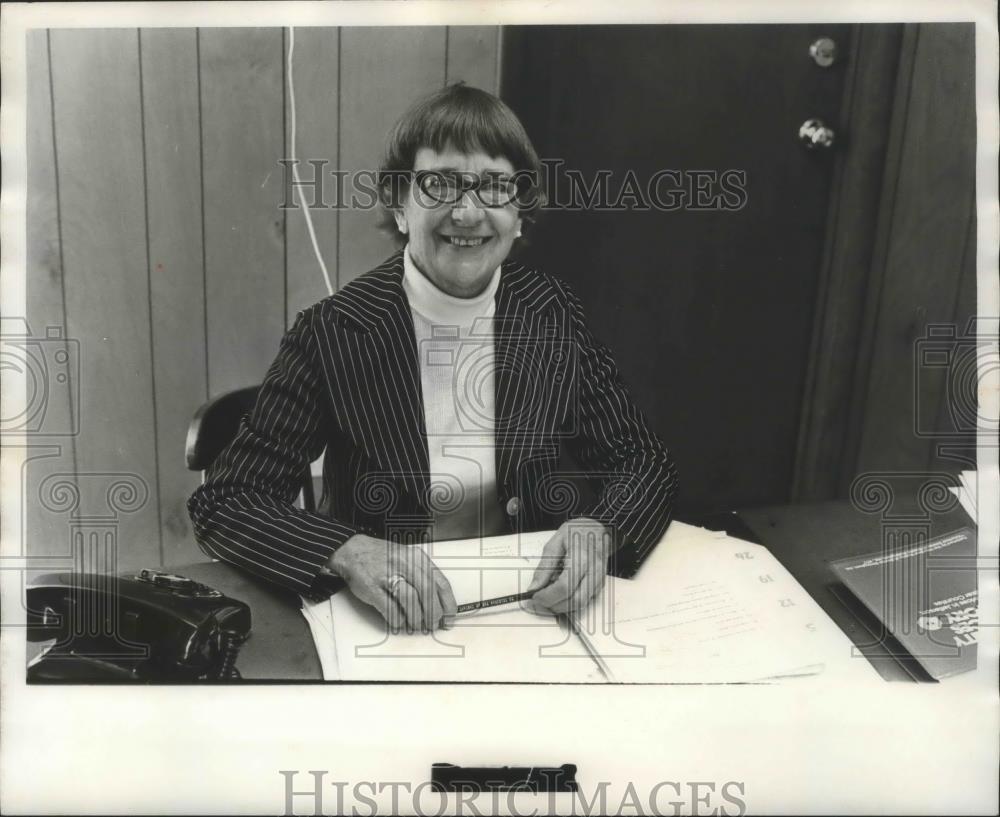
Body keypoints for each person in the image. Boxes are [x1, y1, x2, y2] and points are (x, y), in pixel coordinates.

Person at [188, 84, 677, 635]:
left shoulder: (552, 312)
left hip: (528, 607)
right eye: (438, 184)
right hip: (388, 617)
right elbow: (227, 501)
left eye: (495, 187)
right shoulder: (334, 331)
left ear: (519, 215)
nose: (467, 212)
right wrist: (345, 550)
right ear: (399, 206)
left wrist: (603, 528)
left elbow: (642, 460)